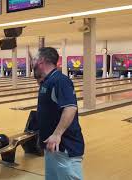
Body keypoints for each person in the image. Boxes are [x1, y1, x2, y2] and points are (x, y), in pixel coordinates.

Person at [33, 47, 85, 180]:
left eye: (34, 59)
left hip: (64, 146)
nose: (32, 62)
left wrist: (57, 134)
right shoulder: (48, 81)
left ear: (41, 60)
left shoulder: (60, 81)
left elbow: (70, 108)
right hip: (52, 147)